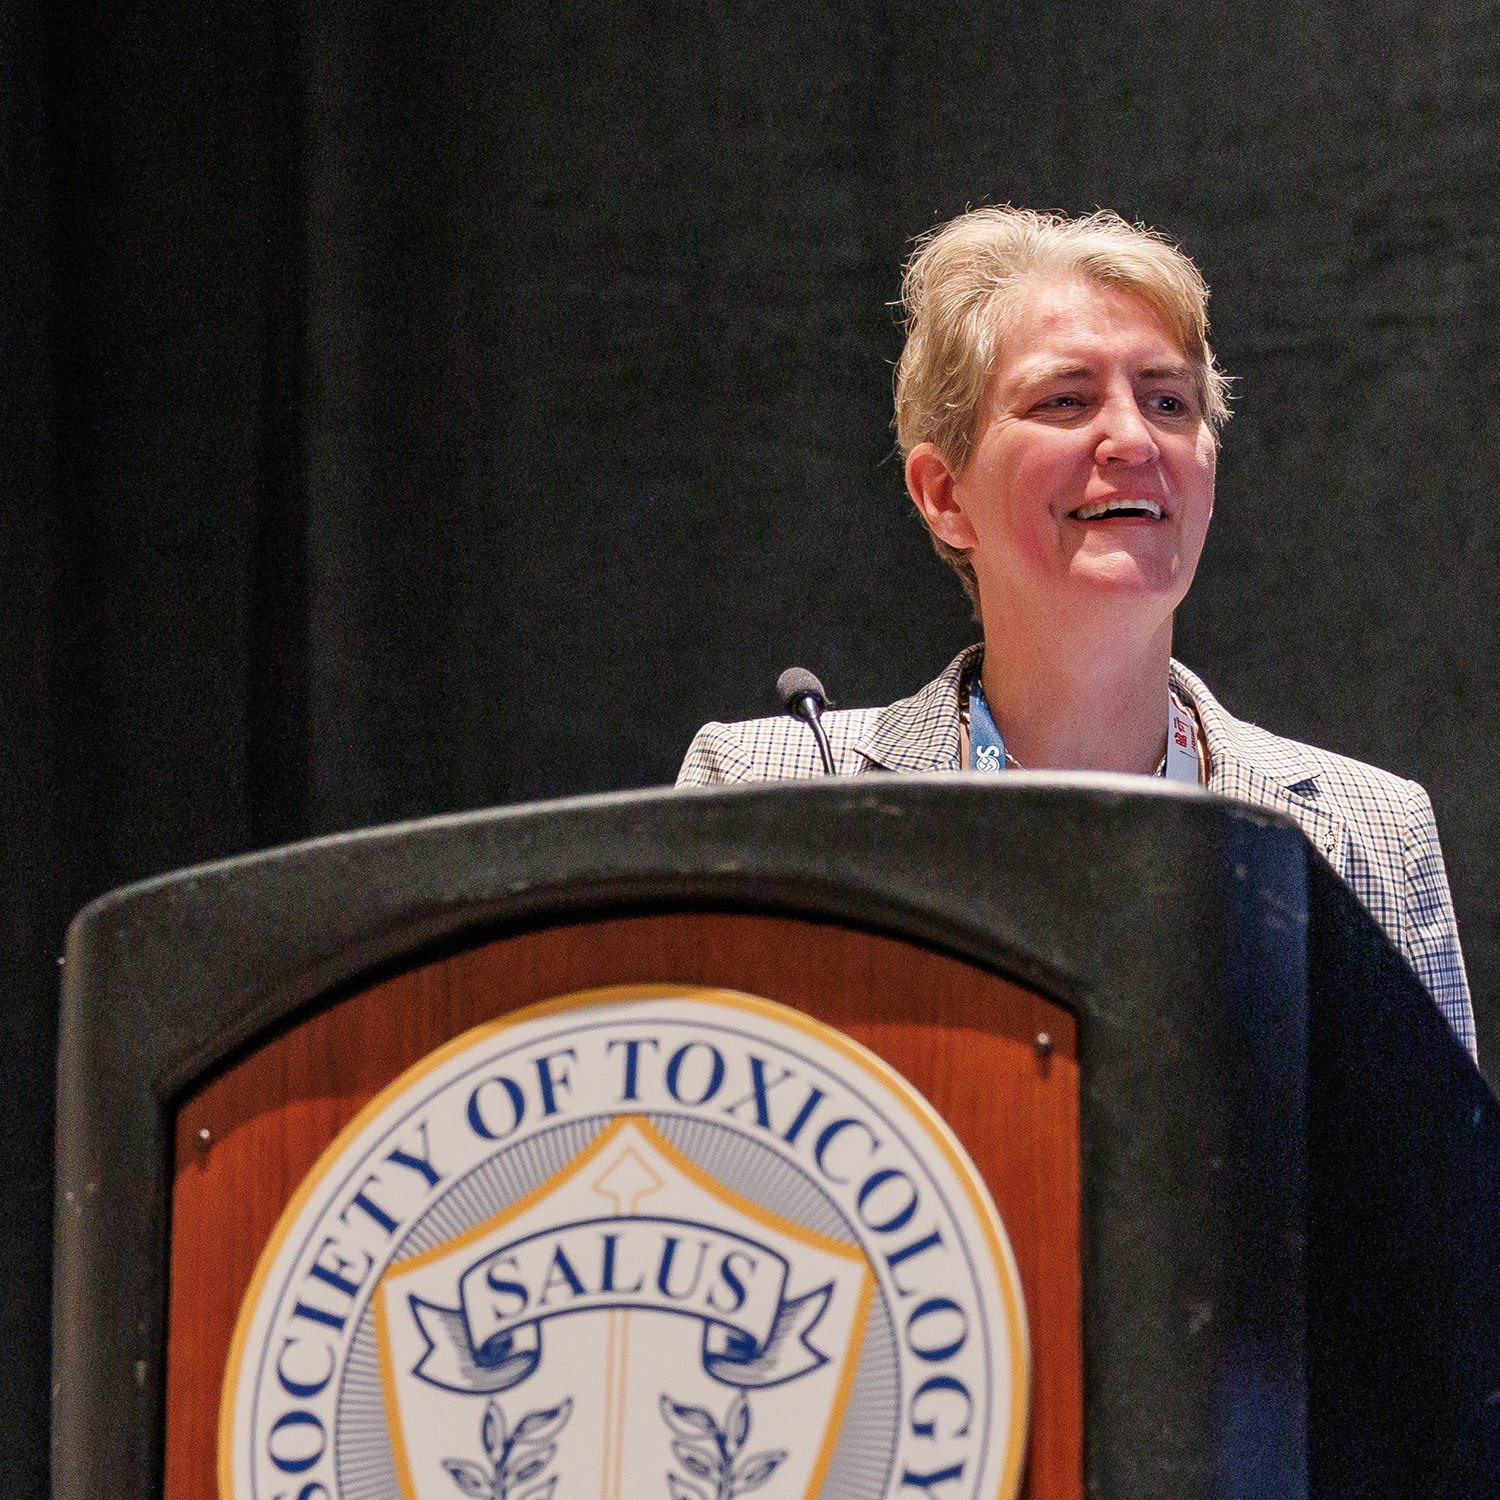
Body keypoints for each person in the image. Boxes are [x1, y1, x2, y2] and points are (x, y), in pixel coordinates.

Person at [677, 206, 1476, 1058]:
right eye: (1066, 400)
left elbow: (1433, 1187)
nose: (1133, 438)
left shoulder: (1375, 831)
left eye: (1168, 401)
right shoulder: (768, 788)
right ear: (944, 496)